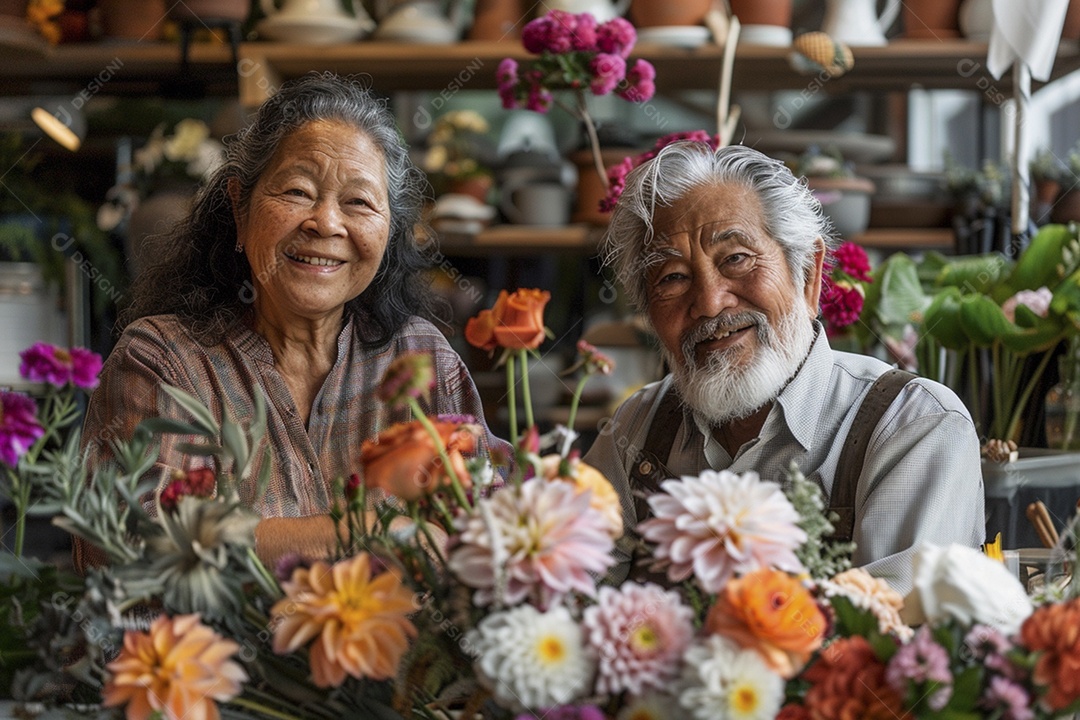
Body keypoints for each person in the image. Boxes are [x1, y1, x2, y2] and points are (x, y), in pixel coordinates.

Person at [78, 73, 505, 571]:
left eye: (359, 202)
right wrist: (374, 534)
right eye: (298, 191)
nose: (326, 222)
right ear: (240, 210)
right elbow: (133, 545)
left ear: (389, 233)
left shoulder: (420, 357)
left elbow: (495, 531)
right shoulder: (163, 361)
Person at [583, 142, 984, 594]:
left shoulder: (914, 427)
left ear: (808, 274)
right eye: (673, 277)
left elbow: (888, 629)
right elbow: (565, 606)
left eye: (736, 259)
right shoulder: (636, 431)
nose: (710, 302)